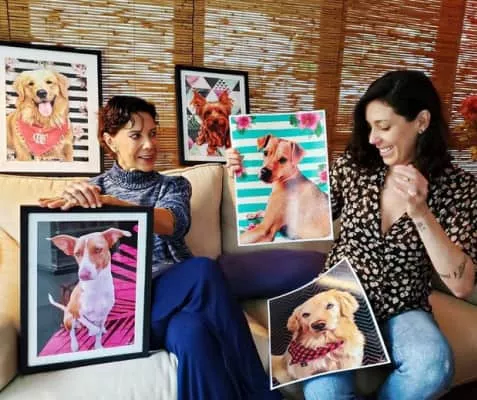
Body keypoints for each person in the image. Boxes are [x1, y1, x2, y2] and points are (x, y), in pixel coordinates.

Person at [226, 70, 476, 400]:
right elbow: (305, 214)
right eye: (369, 127)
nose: (373, 138)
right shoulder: (355, 166)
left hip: (404, 307)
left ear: (421, 121)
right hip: (339, 297)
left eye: (383, 126)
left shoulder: (459, 188)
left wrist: (422, 213)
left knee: (434, 366)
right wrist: (242, 177)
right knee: (326, 392)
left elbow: (461, 286)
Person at [40, 95, 282, 400]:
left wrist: (119, 207)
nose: (149, 144)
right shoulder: (92, 191)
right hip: (132, 307)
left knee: (193, 334)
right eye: (136, 135)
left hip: (180, 298)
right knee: (203, 270)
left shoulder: (173, 186)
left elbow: (173, 223)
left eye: (153, 133)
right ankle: (262, 393)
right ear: (110, 141)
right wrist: (71, 202)